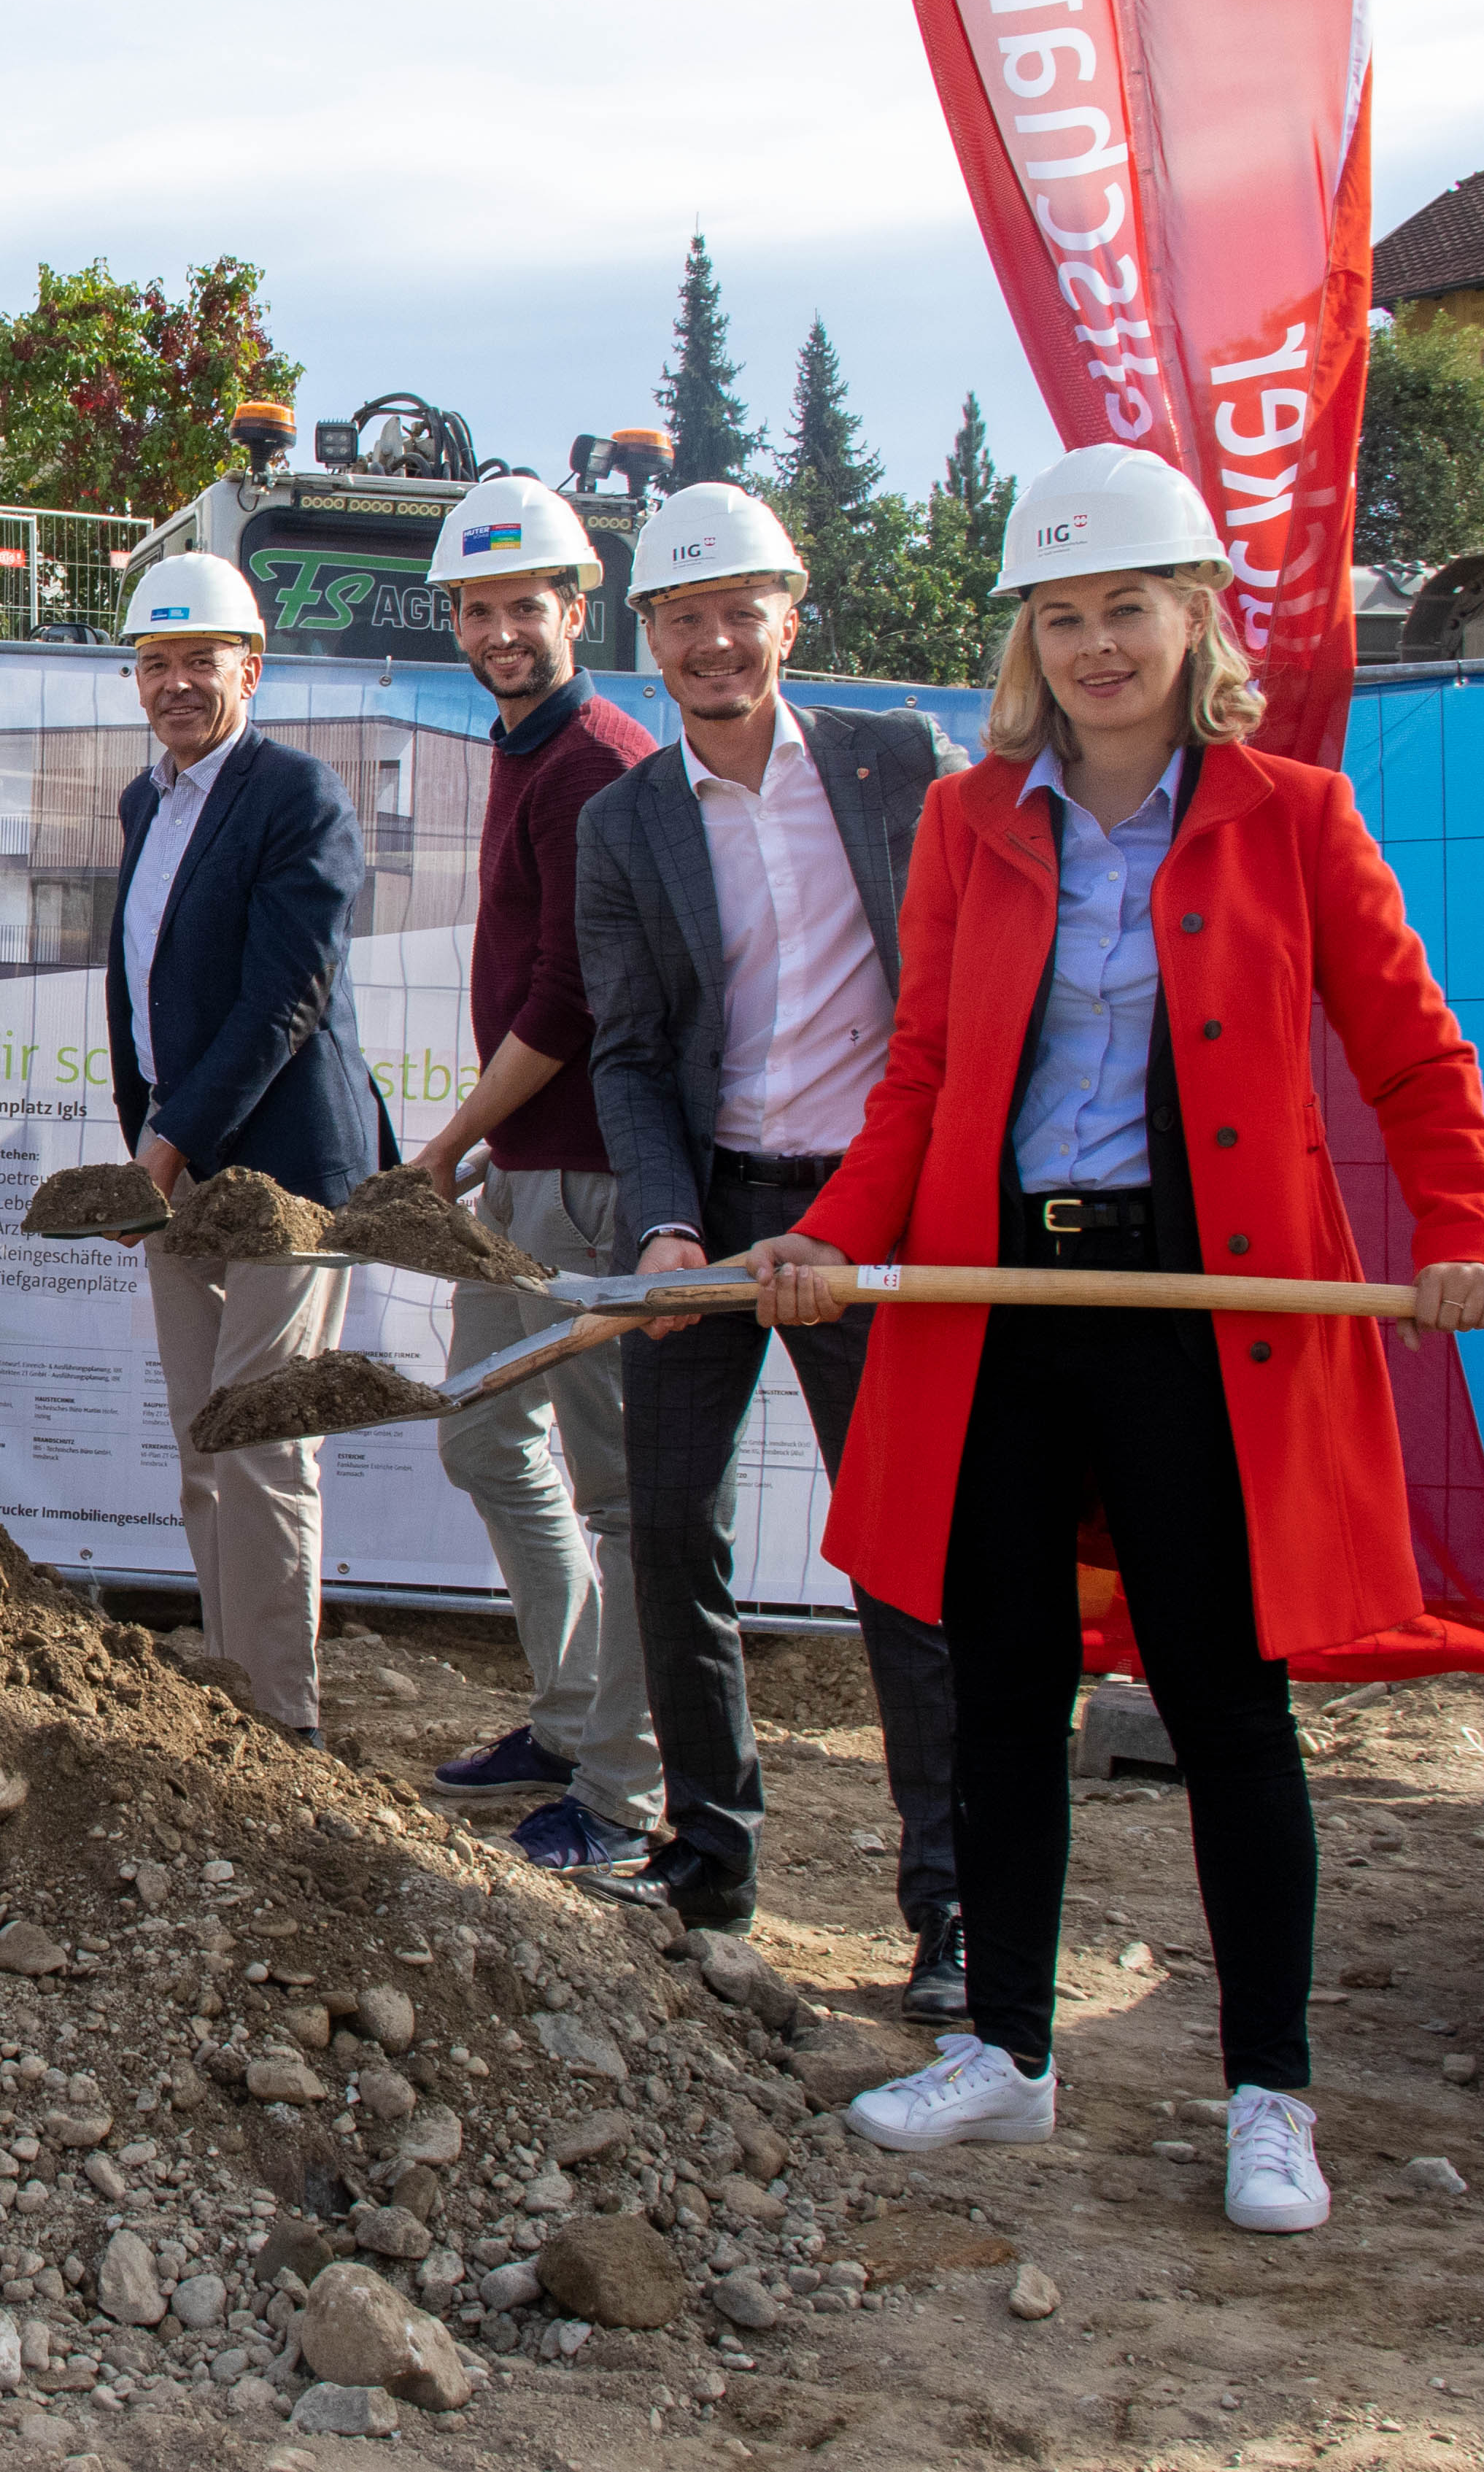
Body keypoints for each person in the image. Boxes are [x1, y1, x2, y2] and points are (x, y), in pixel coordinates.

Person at [743, 445, 1484, 2234]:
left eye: (1130, 607)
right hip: (1006, 1302)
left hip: (1210, 1316)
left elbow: (1411, 1053)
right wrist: (828, 1236)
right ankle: (1006, 2046)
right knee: (1004, 1680)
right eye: (1064, 613)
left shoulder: (1289, 815)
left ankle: (1269, 2087)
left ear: (1197, 616)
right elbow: (923, 1075)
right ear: (1030, 635)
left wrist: (1468, 1236)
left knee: (1225, 1700)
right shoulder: (968, 820)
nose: (1098, 643)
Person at [572, 482, 970, 2016]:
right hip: (712, 1209)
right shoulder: (629, 821)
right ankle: (708, 1851)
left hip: (868, 1209)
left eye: (740, 610)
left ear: (788, 619)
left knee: (900, 1555)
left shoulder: (896, 768)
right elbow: (625, 1052)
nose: (714, 641)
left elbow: (950, 1000)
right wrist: (666, 1227)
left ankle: (945, 1906)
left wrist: (883, 1204)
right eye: (683, 618)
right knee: (668, 1528)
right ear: (650, 642)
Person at [395, 481, 668, 1877]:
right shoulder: (524, 746)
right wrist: (490, 1149)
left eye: (526, 606)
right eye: (478, 609)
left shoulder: (594, 762)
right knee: (478, 1431)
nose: (503, 630)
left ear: (579, 606)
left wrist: (448, 1143)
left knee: (618, 1494)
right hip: (530, 1167)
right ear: (453, 620)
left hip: (592, 1181)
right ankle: (569, 1717)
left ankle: (622, 1796)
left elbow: (569, 998)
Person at [105, 549, 393, 1746]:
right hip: (175, 1157)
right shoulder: (144, 800)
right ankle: (227, 1697)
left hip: (280, 1172)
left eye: (198, 662)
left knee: (259, 1443)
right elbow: (144, 987)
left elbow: (282, 1002)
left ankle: (282, 1727)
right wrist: (150, 1133)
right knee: (197, 1442)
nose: (175, 684)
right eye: (154, 662)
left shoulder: (296, 795)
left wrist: (158, 1151)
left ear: (250, 668)